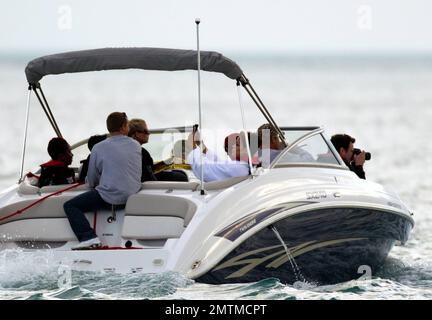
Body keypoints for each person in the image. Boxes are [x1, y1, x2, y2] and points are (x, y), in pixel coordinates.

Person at [63, 112, 142, 249]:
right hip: (132, 195)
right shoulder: (136, 145)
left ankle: (89, 238)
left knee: (70, 206)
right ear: (123, 126)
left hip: (109, 198)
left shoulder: (98, 148)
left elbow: (92, 180)